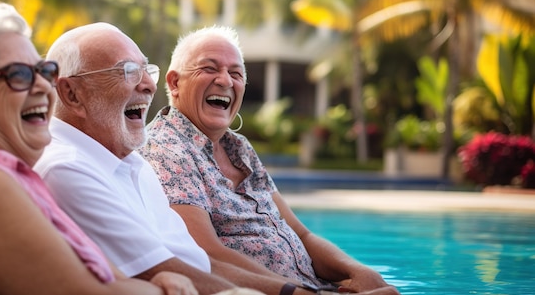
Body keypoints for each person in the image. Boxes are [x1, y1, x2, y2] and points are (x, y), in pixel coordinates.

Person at [0, 3, 193, 295]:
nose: (45, 87)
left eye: (44, 71)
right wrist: (163, 288)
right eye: (18, 75)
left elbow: (113, 280)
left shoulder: (12, 179)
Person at [34, 22, 314, 295]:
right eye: (128, 71)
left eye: (146, 70)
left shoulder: (134, 166)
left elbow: (202, 263)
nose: (148, 86)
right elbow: (164, 269)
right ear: (71, 93)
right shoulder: (67, 168)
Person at [142, 26, 401, 295]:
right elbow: (206, 255)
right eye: (209, 68)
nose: (226, 81)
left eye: (236, 73)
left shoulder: (239, 148)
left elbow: (302, 235)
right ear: (174, 83)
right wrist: (305, 291)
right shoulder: (166, 149)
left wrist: (359, 272)